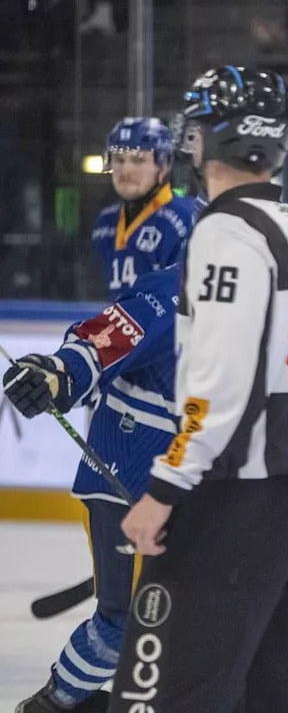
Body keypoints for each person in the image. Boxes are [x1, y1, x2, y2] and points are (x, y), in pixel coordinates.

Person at [105, 65, 288, 713]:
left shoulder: (224, 233)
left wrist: (164, 489)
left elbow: (221, 383)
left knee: (164, 693)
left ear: (204, 139)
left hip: (242, 502)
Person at [5, 266, 180, 713]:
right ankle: (52, 705)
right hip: (127, 474)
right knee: (130, 622)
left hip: (179, 486)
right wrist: (57, 375)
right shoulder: (175, 288)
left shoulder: (252, 299)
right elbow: (104, 341)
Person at [89, 117, 200, 294]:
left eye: (138, 160)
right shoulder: (105, 223)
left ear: (163, 165)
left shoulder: (187, 218)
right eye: (119, 159)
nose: (126, 170)